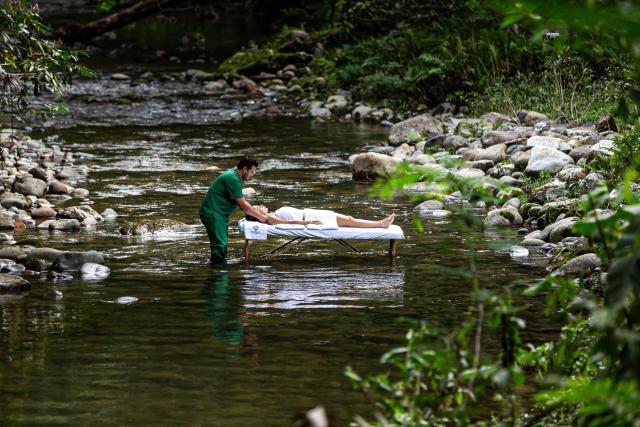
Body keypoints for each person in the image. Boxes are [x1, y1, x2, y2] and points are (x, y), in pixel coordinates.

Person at [200, 156, 270, 264]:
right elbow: (243, 205)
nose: (252, 175)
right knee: (220, 244)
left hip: (219, 214)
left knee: (221, 243)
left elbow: (241, 201)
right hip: (213, 213)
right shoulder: (232, 178)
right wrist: (262, 218)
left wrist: (255, 211)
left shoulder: (235, 176)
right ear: (245, 169)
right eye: (252, 172)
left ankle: (218, 266)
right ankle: (218, 272)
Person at [246, 205, 396, 228]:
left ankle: (380, 223)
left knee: (349, 219)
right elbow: (289, 223)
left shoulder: (272, 215)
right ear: (259, 215)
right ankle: (380, 224)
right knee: (349, 220)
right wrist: (310, 222)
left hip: (310, 213)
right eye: (257, 208)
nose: (259, 206)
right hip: (310, 217)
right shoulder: (271, 219)